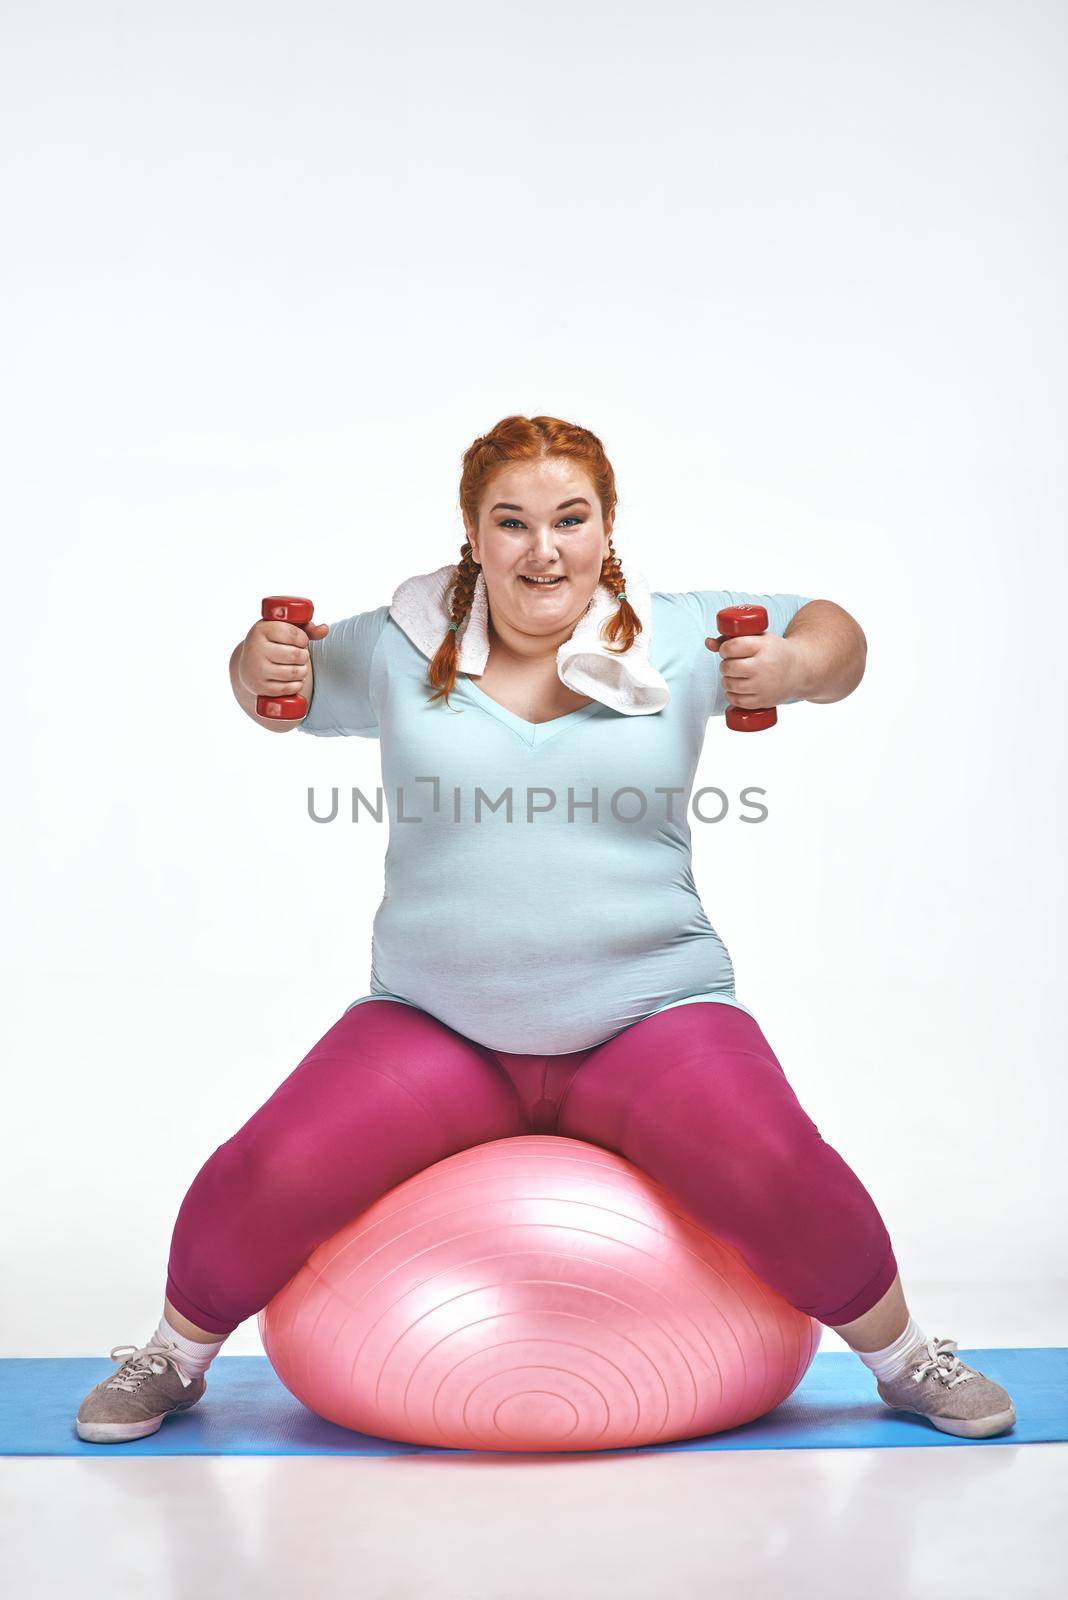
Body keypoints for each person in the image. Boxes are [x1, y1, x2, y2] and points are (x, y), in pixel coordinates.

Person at [76, 414, 1015, 1444]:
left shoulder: (682, 636)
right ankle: (169, 1359)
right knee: (268, 1167)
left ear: (606, 528)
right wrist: (252, 664)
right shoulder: (397, 646)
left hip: (648, 1013)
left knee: (778, 1165)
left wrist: (791, 666)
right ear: (474, 535)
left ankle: (904, 1356)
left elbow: (839, 636)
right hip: (438, 1023)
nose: (543, 547)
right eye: (512, 522)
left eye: (570, 519)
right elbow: (277, 692)